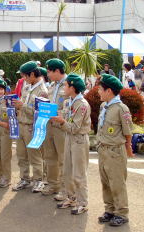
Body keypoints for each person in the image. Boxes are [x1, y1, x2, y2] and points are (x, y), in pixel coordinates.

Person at [96, 74, 134, 227]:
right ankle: (110, 210)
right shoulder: (103, 106)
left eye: (100, 89)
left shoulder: (121, 108)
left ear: (109, 91)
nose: (98, 91)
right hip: (103, 149)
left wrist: (129, 148)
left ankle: (122, 213)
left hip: (115, 151)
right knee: (105, 182)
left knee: (117, 183)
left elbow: (127, 131)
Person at [51, 74, 91, 215]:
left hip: (78, 139)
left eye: (66, 85)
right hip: (68, 137)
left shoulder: (82, 105)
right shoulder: (69, 101)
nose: (64, 87)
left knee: (79, 173)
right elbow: (64, 117)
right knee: (67, 170)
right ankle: (71, 197)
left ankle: (82, 202)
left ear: (73, 88)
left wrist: (61, 121)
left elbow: (74, 127)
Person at [12, 61, 48, 193]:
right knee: (21, 154)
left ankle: (39, 180)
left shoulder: (43, 91)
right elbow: (22, 102)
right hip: (21, 124)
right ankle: (24, 178)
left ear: (32, 74)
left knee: (35, 155)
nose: (24, 79)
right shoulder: (27, 87)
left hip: (32, 127)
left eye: (25, 76)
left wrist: (22, 105)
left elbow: (41, 113)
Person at [41, 59, 67, 198]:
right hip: (49, 125)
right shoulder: (52, 85)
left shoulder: (70, 84)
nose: (48, 75)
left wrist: (59, 115)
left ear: (57, 71)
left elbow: (71, 108)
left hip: (61, 126)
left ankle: (65, 189)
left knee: (63, 158)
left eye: (49, 72)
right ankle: (53, 184)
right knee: (50, 156)